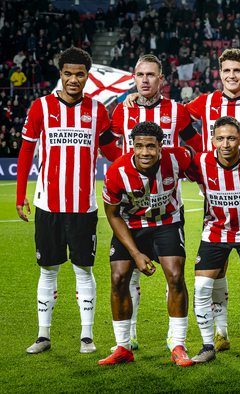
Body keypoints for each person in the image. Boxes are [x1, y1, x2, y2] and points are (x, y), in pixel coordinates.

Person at [123, 48, 240, 352]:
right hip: (217, 195)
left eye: (238, 70)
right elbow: (170, 113)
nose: (232, 76)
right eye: (227, 71)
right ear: (219, 73)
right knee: (217, 268)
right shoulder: (204, 102)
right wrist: (135, 99)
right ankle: (220, 334)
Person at [16, 47, 119, 355]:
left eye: (80, 74)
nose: (74, 79)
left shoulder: (98, 110)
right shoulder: (40, 107)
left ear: (88, 76)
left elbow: (112, 152)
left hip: (83, 206)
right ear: (59, 74)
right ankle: (43, 335)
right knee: (48, 270)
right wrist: (21, 194)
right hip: (47, 204)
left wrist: (139, 162)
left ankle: (87, 336)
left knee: (84, 270)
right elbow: (25, 152)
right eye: (68, 73)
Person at [108, 54, 204, 353]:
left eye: (151, 74)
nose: (145, 79)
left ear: (162, 78)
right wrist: (125, 173)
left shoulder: (178, 110)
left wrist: (197, 175)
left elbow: (196, 145)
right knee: (125, 275)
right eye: (140, 75)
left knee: (172, 271)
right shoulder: (121, 111)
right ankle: (129, 335)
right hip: (131, 206)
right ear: (134, 78)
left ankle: (174, 339)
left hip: (166, 205)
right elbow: (110, 146)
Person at [99, 121, 194, 366]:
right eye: (139, 145)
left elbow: (202, 167)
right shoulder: (116, 172)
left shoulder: (178, 158)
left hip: (167, 222)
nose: (144, 152)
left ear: (161, 146)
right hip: (131, 225)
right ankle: (123, 346)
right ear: (132, 146)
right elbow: (112, 214)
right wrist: (135, 253)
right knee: (118, 277)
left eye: (151, 146)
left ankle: (178, 344)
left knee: (175, 275)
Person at [184, 116, 240, 364]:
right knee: (201, 288)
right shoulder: (200, 162)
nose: (226, 144)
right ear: (212, 140)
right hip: (215, 233)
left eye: (231, 138)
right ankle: (207, 346)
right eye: (220, 138)